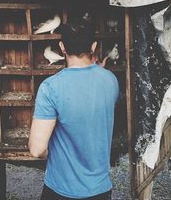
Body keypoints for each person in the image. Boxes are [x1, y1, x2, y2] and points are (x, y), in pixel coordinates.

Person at [29, 17, 119, 200]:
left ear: (62, 47)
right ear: (93, 47)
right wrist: (98, 70)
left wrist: (53, 154)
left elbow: (37, 150)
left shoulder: (50, 87)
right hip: (99, 190)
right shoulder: (111, 81)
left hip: (61, 189)